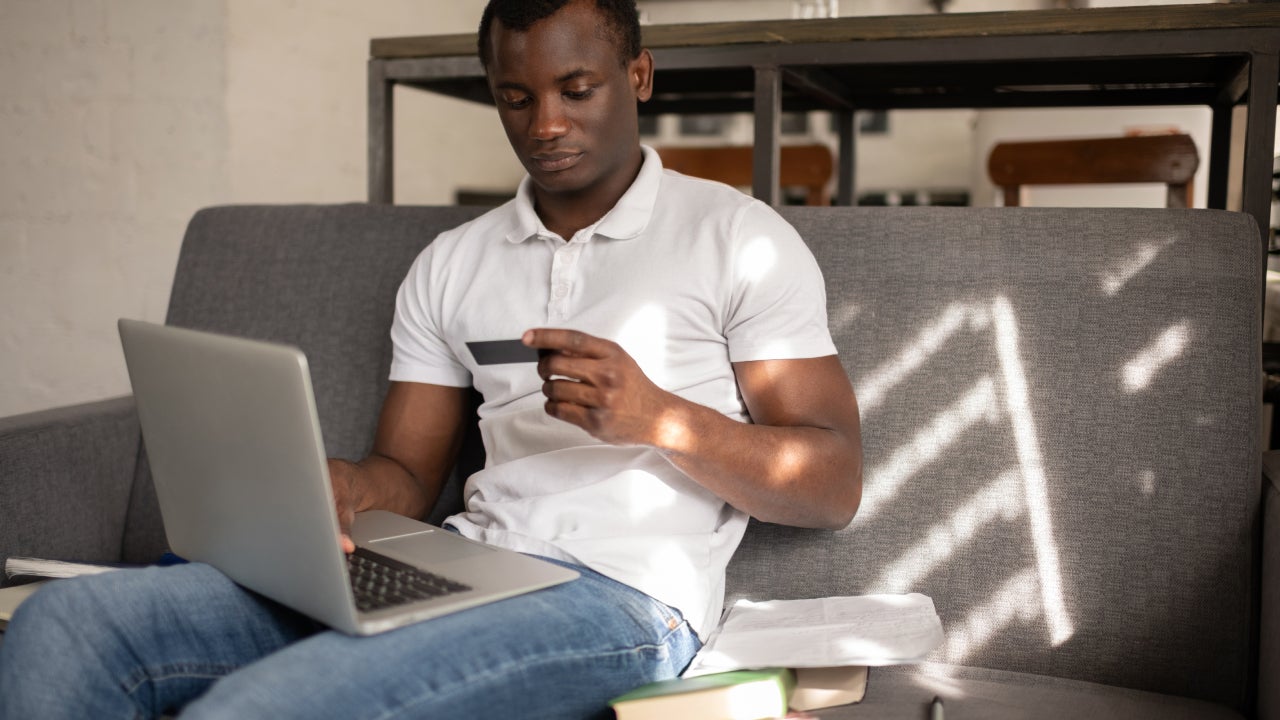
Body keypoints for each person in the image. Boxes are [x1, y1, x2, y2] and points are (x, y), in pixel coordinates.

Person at [0, 0, 863, 717]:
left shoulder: (736, 237)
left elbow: (832, 483)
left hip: (621, 598)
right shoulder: (454, 262)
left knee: (270, 705)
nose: (547, 123)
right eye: (516, 97)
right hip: (456, 560)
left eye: (577, 88)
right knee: (66, 628)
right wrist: (331, 488)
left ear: (638, 76)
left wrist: (663, 419)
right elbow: (405, 478)